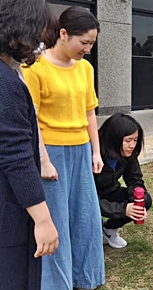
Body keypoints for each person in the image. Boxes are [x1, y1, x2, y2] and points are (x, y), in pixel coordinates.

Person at [22, 6, 105, 290]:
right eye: (84, 42)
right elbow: (31, 119)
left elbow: (90, 112)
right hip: (52, 152)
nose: (88, 49)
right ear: (63, 34)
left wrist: (96, 151)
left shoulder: (85, 68)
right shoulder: (34, 67)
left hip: (81, 150)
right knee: (55, 220)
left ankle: (85, 277)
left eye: (92, 43)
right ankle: (57, 284)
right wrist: (43, 160)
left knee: (85, 218)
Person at [0, 1, 59, 289]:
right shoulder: (6, 84)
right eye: (38, 35)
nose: (39, 45)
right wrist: (44, 220)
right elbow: (16, 157)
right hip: (8, 215)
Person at [95, 113, 153, 249]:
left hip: (110, 190)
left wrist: (137, 202)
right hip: (89, 197)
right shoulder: (93, 153)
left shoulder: (129, 153)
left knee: (146, 200)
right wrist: (122, 210)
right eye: (128, 140)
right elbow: (85, 199)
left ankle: (108, 229)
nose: (132, 145)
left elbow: (135, 179)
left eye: (136, 140)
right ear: (113, 139)